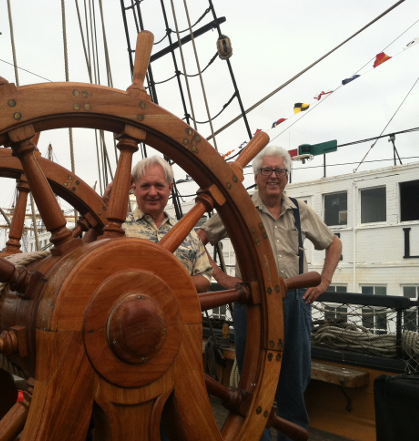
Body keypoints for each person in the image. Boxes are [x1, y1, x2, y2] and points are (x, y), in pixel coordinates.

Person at [197, 145, 342, 441]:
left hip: (294, 303)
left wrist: (323, 283)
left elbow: (334, 244)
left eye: (279, 170)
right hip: (252, 303)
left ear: (287, 176)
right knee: (252, 379)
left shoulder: (299, 211)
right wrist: (222, 277)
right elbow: (198, 238)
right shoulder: (239, 210)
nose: (273, 176)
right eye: (266, 170)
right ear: (257, 176)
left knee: (293, 380)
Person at [123, 155, 212, 292]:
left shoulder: (188, 234)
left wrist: (171, 281)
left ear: (170, 188)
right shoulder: (118, 228)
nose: (152, 193)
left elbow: (204, 279)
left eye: (159, 185)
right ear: (134, 189)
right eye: (145, 186)